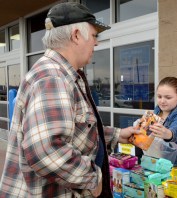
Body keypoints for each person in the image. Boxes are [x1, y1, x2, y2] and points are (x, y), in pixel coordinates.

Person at [0, 2, 138, 197]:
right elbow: (47, 150)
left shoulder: (64, 74)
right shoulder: (52, 78)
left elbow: (77, 128)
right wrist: (91, 178)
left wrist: (117, 135)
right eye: (93, 36)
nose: (96, 43)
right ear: (75, 35)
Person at [149, 77, 177, 166]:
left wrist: (168, 134)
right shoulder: (157, 110)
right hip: (160, 158)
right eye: (159, 96)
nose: (162, 101)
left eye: (168, 97)